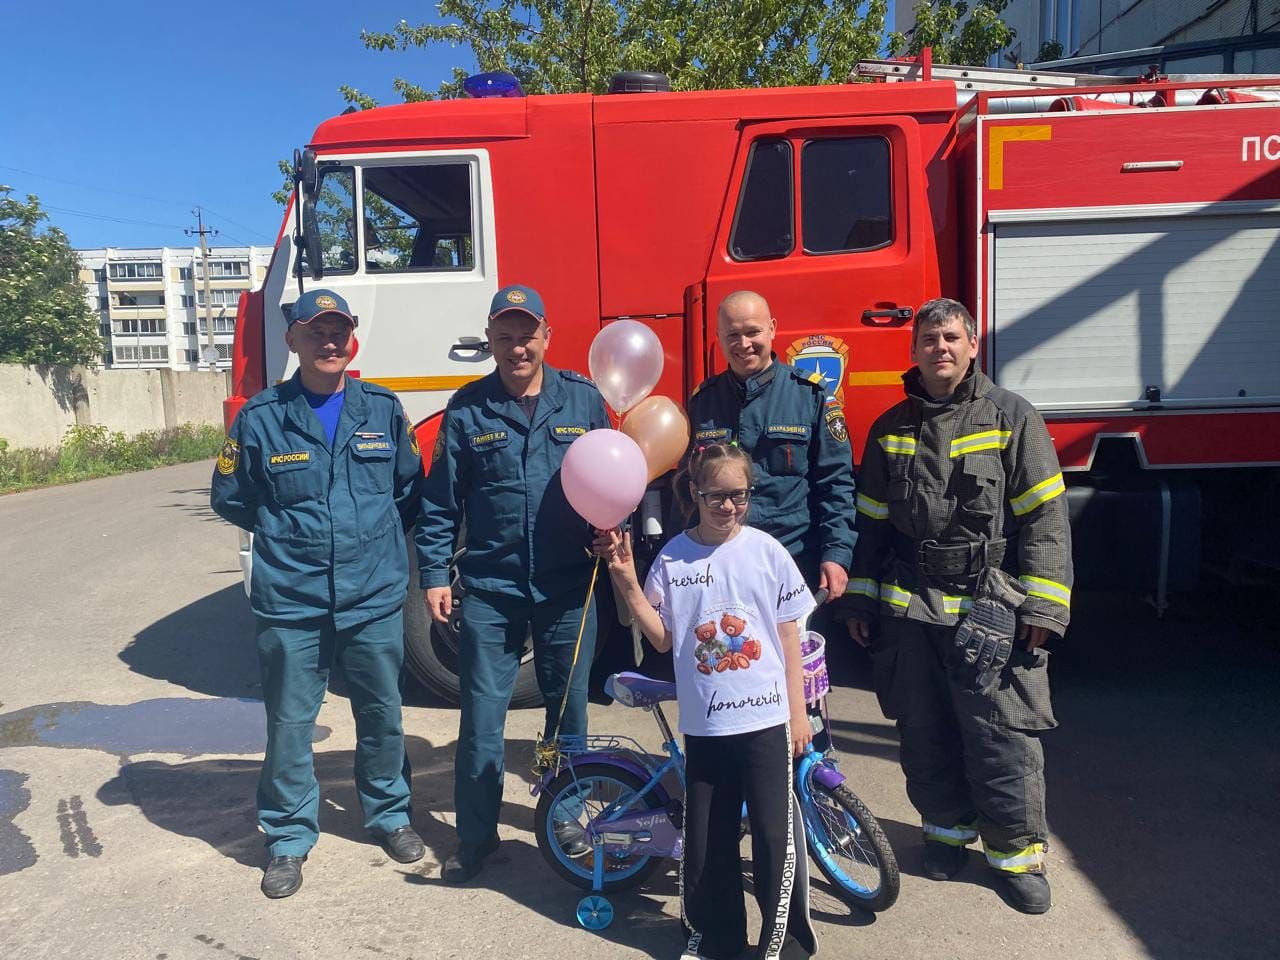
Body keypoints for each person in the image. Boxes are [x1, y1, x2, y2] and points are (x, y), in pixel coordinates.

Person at [843, 297, 1072, 915]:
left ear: (972, 347)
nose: (939, 347)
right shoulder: (889, 428)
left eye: (951, 337)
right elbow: (870, 526)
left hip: (988, 606)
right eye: (928, 339)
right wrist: (861, 598)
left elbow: (1046, 520)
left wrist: (1043, 609)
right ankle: (944, 835)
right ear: (913, 351)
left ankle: (1016, 856)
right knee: (924, 732)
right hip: (909, 608)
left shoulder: (1011, 417)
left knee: (1000, 736)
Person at [210, 288, 426, 899]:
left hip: (373, 594)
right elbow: (230, 497)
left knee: (382, 713)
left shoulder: (382, 410)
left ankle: (389, 815)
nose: (330, 342)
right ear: (294, 340)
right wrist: (288, 535)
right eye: (316, 332)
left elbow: (409, 488)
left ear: (350, 338)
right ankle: (286, 837)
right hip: (292, 598)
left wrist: (372, 539)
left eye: (339, 331)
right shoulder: (260, 417)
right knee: (289, 723)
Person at [417, 284, 610, 884]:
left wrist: (615, 535)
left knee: (567, 715)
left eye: (527, 334)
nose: (517, 346)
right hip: (491, 592)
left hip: (567, 588)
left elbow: (612, 479)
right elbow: (441, 504)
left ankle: (567, 822)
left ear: (546, 336)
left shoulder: (584, 402)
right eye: (505, 336)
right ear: (491, 341)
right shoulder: (468, 409)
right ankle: (474, 840)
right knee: (480, 722)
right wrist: (432, 574)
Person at [598, 442, 818, 960]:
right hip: (706, 728)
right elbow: (661, 638)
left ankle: (785, 946)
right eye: (716, 495)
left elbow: (789, 639)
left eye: (738, 495)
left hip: (767, 722)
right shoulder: (674, 557)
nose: (728, 506)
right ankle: (715, 941)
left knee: (773, 839)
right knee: (707, 844)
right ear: (693, 494)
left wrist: (799, 712)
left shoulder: (768, 551)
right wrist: (627, 582)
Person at [686, 290, 856, 607]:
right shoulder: (703, 402)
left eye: (753, 331)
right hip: (722, 564)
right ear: (719, 338)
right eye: (732, 334)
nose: (744, 343)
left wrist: (836, 553)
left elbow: (836, 483)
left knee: (795, 655)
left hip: (793, 561)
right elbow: (689, 487)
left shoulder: (811, 396)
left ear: (773, 329)